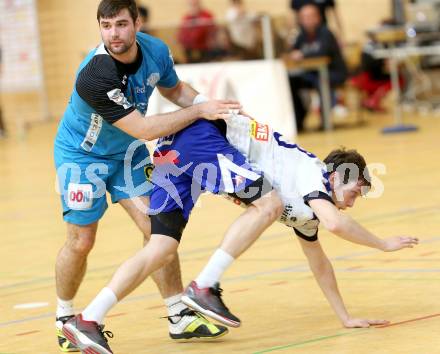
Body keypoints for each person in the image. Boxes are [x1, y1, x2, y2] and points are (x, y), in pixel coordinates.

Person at [62, 110, 418, 353]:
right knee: (269, 204)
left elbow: (319, 262)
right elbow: (336, 223)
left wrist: (344, 316)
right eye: (356, 191)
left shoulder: (308, 209)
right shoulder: (313, 172)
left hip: (176, 151)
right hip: (207, 134)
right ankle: (203, 287)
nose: (354, 201)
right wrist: (383, 244)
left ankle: (88, 318)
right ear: (339, 176)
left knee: (160, 248)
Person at [54, 0, 241, 351]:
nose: (114, 34)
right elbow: (143, 129)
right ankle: (65, 318)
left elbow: (174, 89)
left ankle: (178, 316)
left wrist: (211, 106)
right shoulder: (95, 74)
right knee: (81, 242)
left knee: (158, 231)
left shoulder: (156, 49)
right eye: (106, 26)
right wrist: (200, 112)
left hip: (126, 155)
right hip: (82, 156)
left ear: (137, 23)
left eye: (121, 24)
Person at [288, 4, 347, 131]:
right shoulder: (301, 36)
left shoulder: (326, 33)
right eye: (304, 17)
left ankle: (326, 122)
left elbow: (323, 52)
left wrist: (303, 54)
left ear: (318, 18)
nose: (307, 20)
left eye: (310, 16)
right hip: (312, 74)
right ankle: (298, 121)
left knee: (321, 81)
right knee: (291, 81)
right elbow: (293, 51)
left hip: (333, 72)